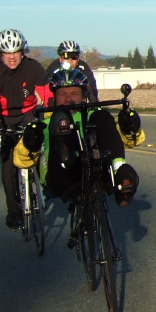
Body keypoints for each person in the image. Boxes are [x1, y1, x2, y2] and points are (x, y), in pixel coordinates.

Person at [13, 66, 141, 208]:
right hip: (61, 177)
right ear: (54, 98)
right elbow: (20, 161)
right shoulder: (44, 125)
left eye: (74, 93)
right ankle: (67, 154)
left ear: (83, 97)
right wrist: (29, 143)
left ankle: (120, 172)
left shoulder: (94, 117)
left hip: (96, 171)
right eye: (62, 94)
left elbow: (127, 141)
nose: (68, 99)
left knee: (102, 115)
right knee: (61, 120)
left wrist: (130, 128)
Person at [0, 28, 51, 230]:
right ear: (0, 53)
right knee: (9, 160)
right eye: (7, 53)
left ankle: (41, 182)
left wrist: (54, 111)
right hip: (4, 117)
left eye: (16, 52)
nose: (12, 57)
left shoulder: (32, 67)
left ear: (22, 51)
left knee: (38, 143)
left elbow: (47, 94)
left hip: (27, 113)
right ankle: (13, 209)